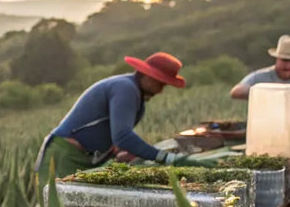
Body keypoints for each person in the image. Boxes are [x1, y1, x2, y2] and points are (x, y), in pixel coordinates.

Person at [34, 52, 208, 182]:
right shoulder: (125, 89)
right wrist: (165, 158)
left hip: (83, 157)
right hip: (65, 155)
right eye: (160, 83)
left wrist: (119, 151)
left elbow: (115, 136)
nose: (161, 90)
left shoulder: (134, 94)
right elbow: (123, 136)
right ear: (147, 76)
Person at [230, 35, 290, 100]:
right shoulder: (259, 77)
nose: (289, 66)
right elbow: (236, 92)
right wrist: (268, 94)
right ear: (277, 59)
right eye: (285, 60)